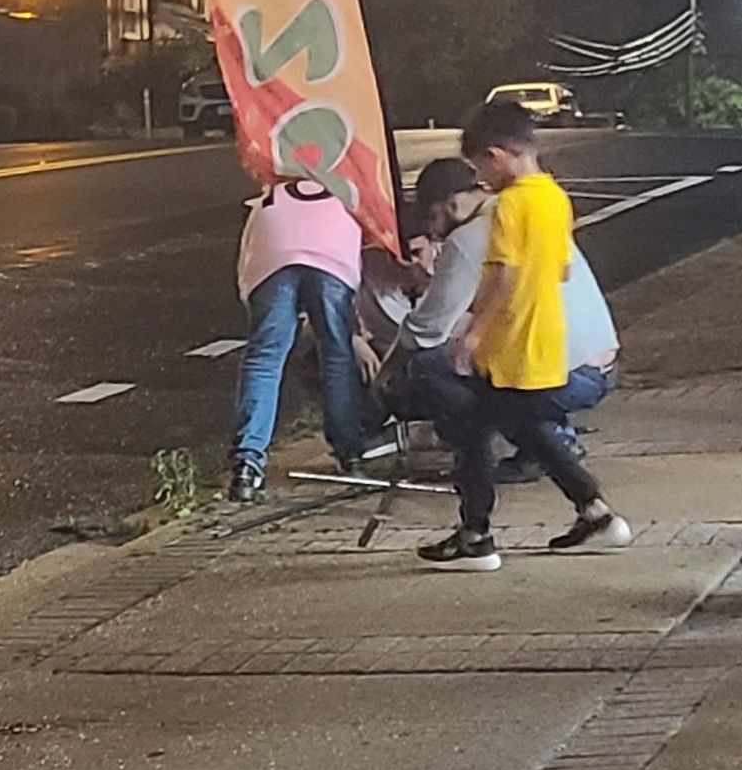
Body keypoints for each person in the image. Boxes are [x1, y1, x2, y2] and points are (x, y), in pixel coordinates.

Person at [418, 101, 631, 569]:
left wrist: (473, 332)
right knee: (525, 427)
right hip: (547, 340)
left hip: (511, 344)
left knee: (477, 433)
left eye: (479, 167)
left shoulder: (509, 205)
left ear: (496, 155)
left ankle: (477, 536)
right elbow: (559, 270)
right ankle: (593, 510)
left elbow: (503, 277)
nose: (480, 177)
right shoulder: (555, 198)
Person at [396, 154, 619, 481]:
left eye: (433, 218)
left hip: (559, 373)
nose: (434, 233)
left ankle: (519, 449)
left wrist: (387, 370)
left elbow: (426, 330)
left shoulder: (468, 237)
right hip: (603, 363)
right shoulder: (528, 208)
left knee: (430, 364)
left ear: (452, 205)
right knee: (491, 354)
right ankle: (550, 438)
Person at [227, 177, 367, 503]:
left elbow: (247, 256)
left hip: (272, 256)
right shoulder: (346, 190)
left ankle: (247, 466)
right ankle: (350, 455)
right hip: (332, 258)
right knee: (336, 354)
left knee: (265, 358)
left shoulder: (271, 194)